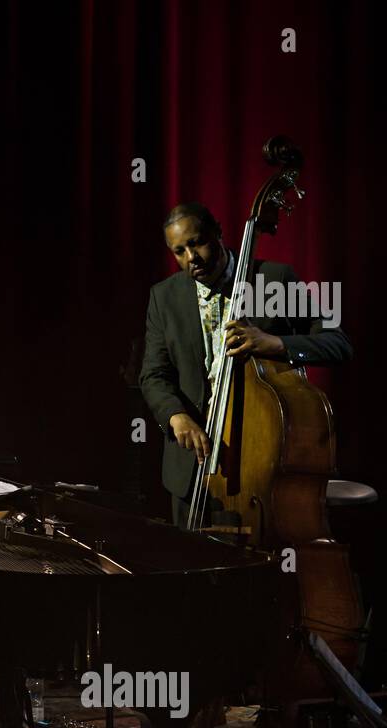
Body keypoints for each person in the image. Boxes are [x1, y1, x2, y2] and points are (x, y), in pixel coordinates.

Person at [139, 202, 352, 528]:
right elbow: (153, 374)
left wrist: (276, 343)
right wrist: (175, 415)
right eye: (179, 251)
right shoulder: (164, 296)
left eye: (197, 243)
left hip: (260, 459)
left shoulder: (274, 280)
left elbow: (338, 343)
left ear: (219, 233)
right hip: (191, 469)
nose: (191, 258)